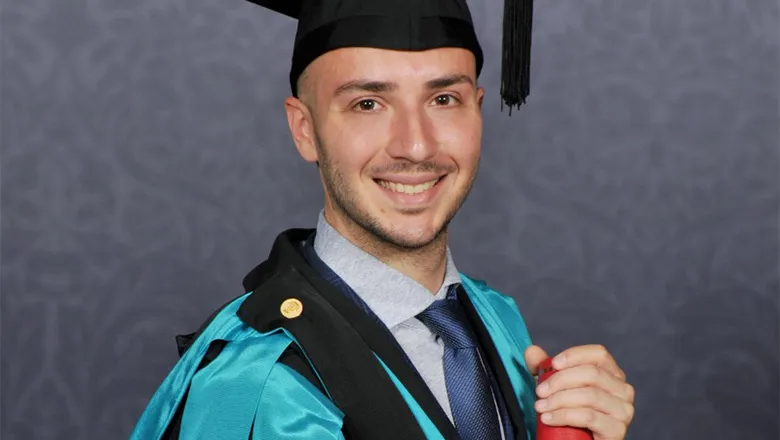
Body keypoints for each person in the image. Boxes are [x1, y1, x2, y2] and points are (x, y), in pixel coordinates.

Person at [130, 0, 636, 439]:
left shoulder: (497, 319)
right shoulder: (260, 386)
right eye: (368, 103)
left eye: (443, 99)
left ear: (478, 111)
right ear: (304, 129)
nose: (415, 146)